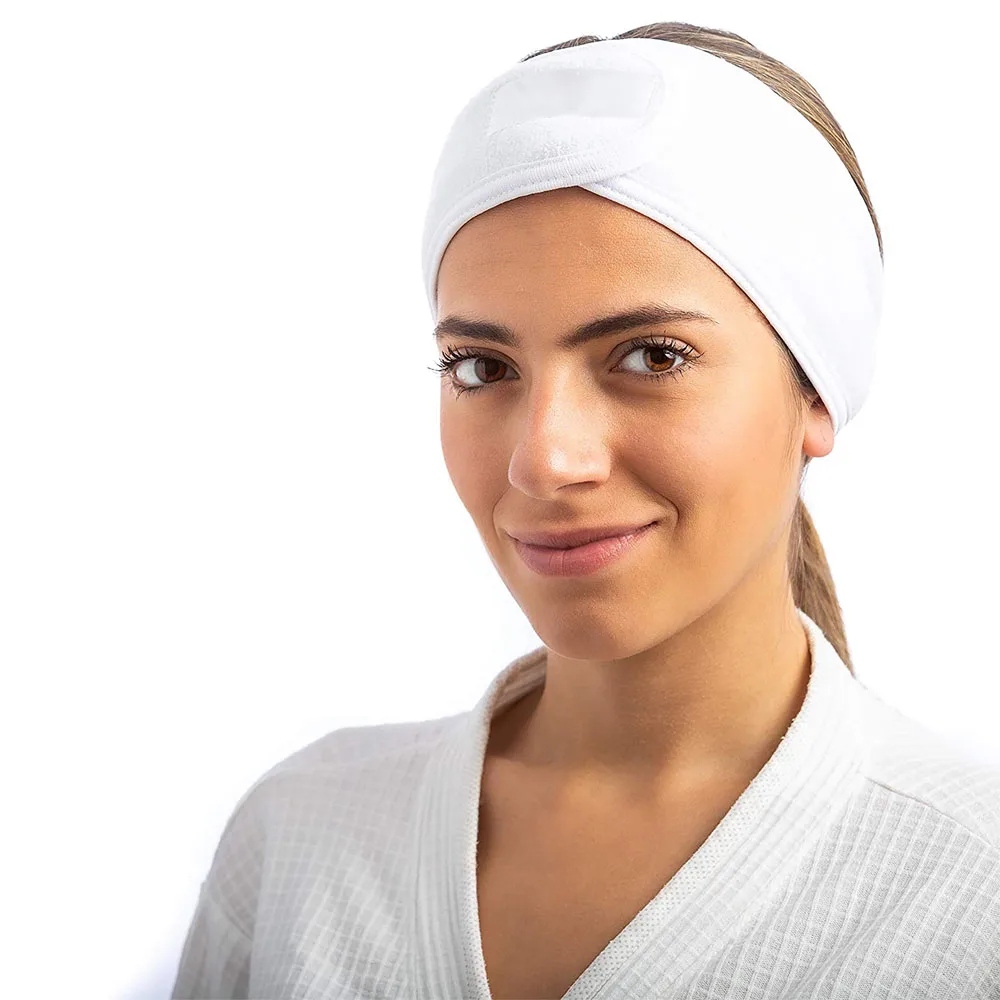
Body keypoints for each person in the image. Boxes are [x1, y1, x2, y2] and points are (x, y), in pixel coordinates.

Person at [171, 21, 1000, 1000]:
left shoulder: (969, 894)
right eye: (482, 368)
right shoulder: (299, 844)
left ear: (814, 389)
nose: (542, 461)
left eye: (651, 355)